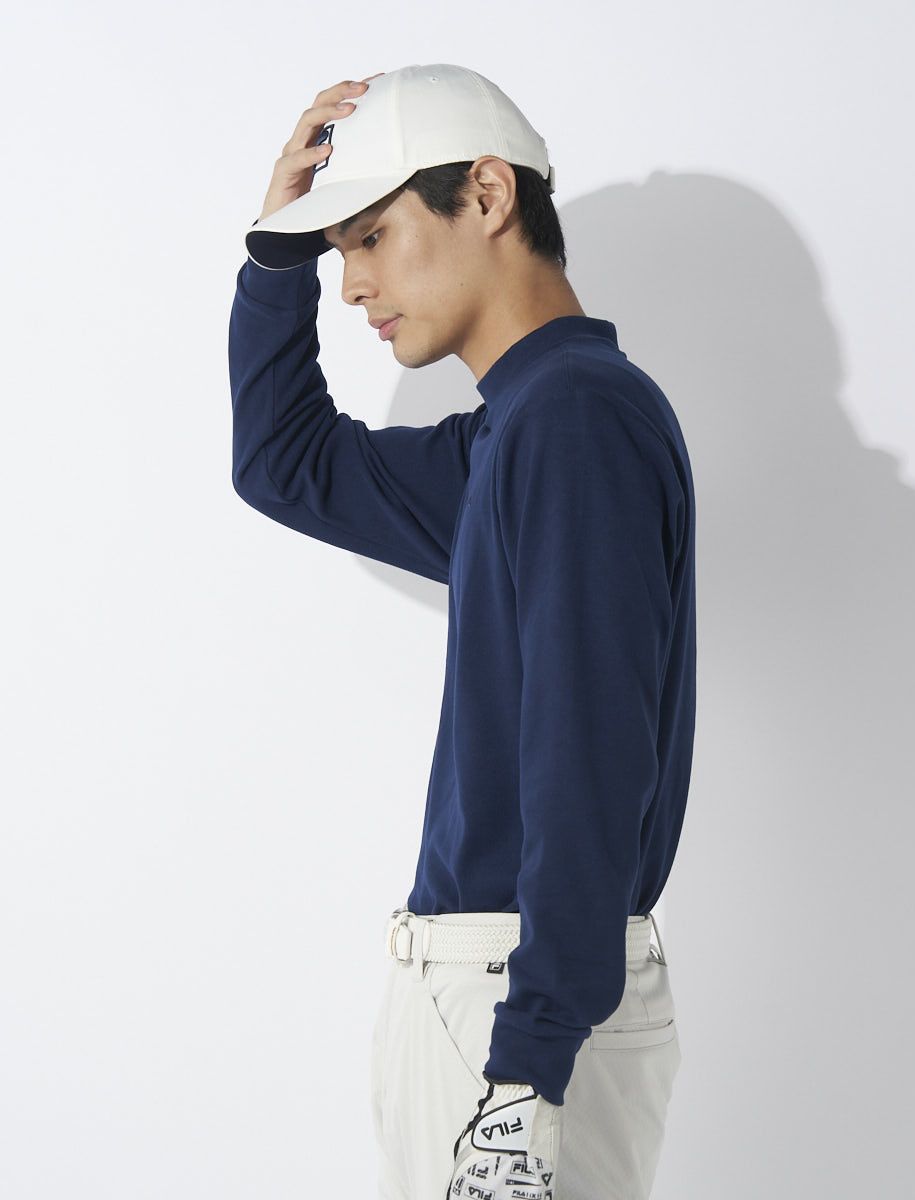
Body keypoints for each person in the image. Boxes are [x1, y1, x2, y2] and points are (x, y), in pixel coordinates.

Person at [228, 63, 696, 1200]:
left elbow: (588, 755)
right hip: (499, 991)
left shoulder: (571, 424)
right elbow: (285, 463)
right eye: (338, 253)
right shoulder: (517, 433)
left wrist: (526, 1072)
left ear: (488, 195)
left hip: (513, 1002)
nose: (353, 284)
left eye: (371, 238)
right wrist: (276, 259)